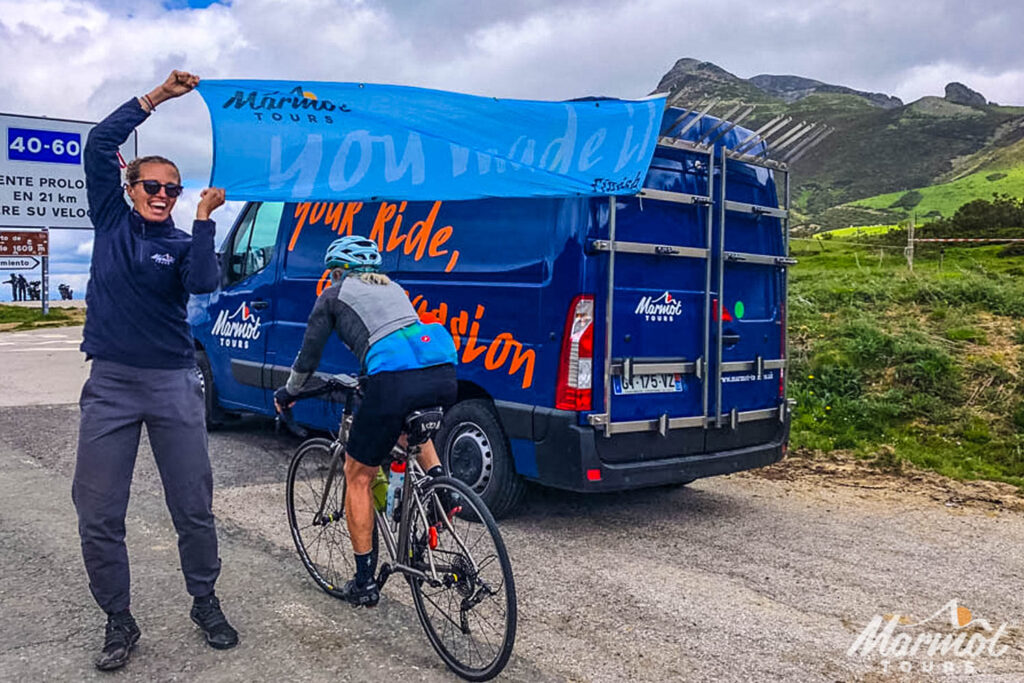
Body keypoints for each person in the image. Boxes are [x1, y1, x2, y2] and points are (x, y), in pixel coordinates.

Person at [72, 70, 238, 672]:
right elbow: (98, 143)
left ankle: (205, 600)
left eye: (172, 187)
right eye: (153, 185)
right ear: (131, 185)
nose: (162, 193)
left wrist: (202, 219)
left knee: (192, 504)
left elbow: (202, 283)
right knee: (97, 512)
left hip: (172, 381)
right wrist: (159, 98)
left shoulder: (180, 239)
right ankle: (118, 617)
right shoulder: (110, 222)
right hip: (111, 384)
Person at [274, 236, 458, 607]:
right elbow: (392, 342)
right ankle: (441, 485)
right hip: (440, 373)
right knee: (409, 431)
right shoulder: (395, 289)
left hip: (392, 382)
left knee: (357, 475)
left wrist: (289, 392)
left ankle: (364, 583)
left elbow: (308, 357)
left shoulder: (332, 296)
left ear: (338, 271)